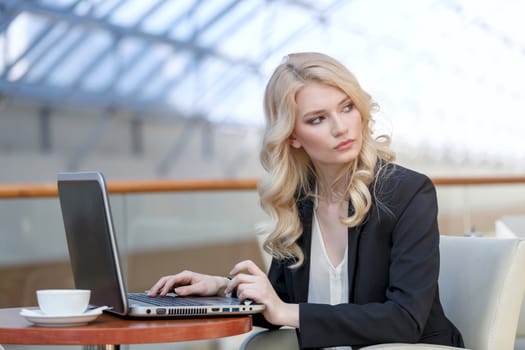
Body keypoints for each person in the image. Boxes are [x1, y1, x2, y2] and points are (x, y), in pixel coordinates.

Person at [147, 52, 465, 349]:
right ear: (293, 136)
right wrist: (222, 289)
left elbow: (405, 321)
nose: (341, 128)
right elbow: (278, 300)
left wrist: (288, 312)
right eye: (317, 119)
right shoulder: (301, 200)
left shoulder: (408, 192)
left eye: (346, 107)